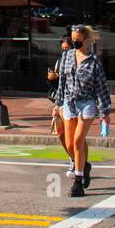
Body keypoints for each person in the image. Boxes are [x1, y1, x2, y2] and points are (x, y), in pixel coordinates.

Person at [51, 25, 111, 197]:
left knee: (78, 141)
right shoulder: (66, 56)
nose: (74, 42)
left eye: (77, 39)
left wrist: (104, 112)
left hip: (87, 104)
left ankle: (78, 181)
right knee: (70, 144)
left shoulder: (94, 62)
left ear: (86, 40)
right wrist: (57, 105)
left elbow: (101, 88)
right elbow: (62, 82)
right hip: (69, 103)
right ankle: (84, 165)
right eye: (72, 39)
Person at [46, 33, 73, 162]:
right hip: (61, 100)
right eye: (63, 49)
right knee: (61, 133)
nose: (65, 52)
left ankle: (77, 162)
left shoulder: (78, 60)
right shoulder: (60, 60)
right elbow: (57, 81)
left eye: (67, 49)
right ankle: (71, 157)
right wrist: (52, 77)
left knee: (72, 135)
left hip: (73, 102)